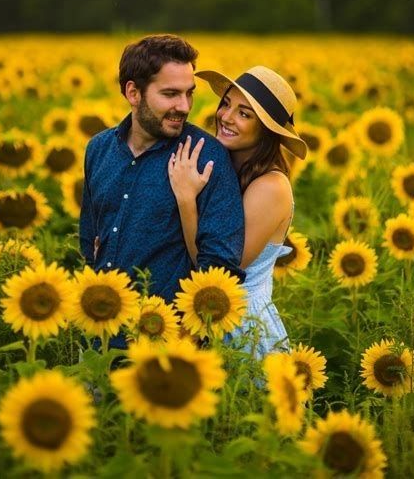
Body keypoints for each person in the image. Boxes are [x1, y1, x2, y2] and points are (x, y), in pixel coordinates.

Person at [79, 34, 245, 347]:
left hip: (165, 346)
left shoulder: (206, 157)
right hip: (97, 342)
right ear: (133, 92)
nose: (183, 107)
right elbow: (90, 240)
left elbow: (220, 270)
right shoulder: (98, 150)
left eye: (189, 94)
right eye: (170, 94)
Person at [168, 65, 307, 358]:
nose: (226, 118)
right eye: (226, 104)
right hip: (201, 314)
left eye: (244, 114)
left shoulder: (271, 186)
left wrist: (186, 200)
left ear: (267, 130)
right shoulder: (222, 164)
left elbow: (218, 270)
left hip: (242, 327)